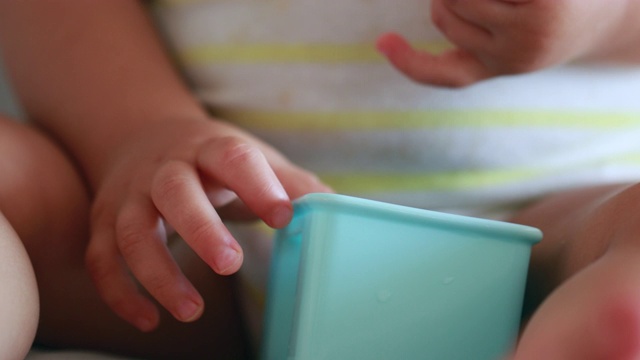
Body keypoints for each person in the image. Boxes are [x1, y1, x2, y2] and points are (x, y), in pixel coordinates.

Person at [0, 0, 639, 359]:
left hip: (541, 243)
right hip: (197, 242)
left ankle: (598, 328)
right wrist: (139, 128)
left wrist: (605, 20)